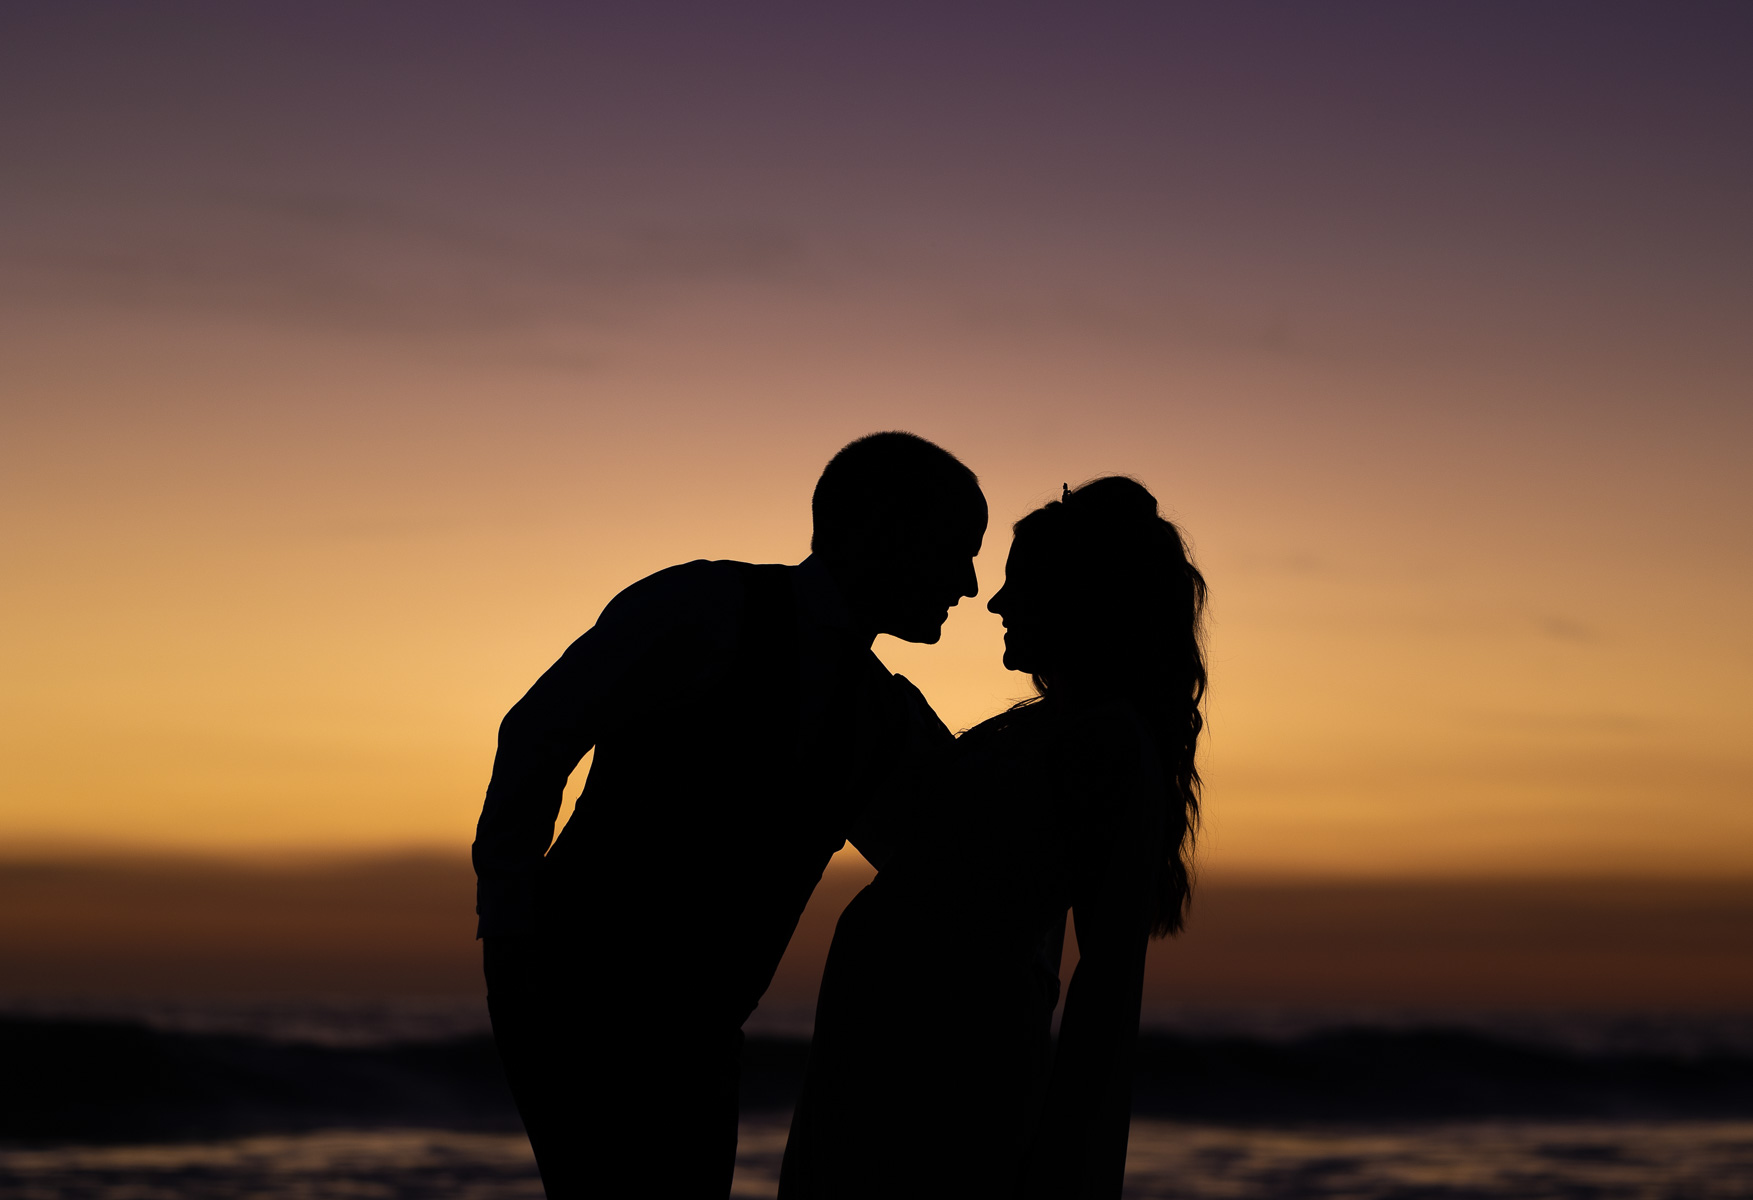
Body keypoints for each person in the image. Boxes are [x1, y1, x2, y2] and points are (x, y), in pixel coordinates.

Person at [472, 432, 988, 1199]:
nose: (970, 583)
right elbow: (538, 734)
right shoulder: (704, 606)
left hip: (705, 1037)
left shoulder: (886, 716)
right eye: (954, 550)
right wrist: (510, 931)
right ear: (883, 531)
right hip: (576, 999)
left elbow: (951, 859)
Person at [779, 476, 1208, 1200]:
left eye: (1021, 586)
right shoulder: (1040, 732)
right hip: (898, 1058)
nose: (996, 602)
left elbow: (1107, 984)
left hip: (946, 1077)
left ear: (1082, 601)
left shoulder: (1104, 741)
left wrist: (1072, 1169)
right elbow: (933, 843)